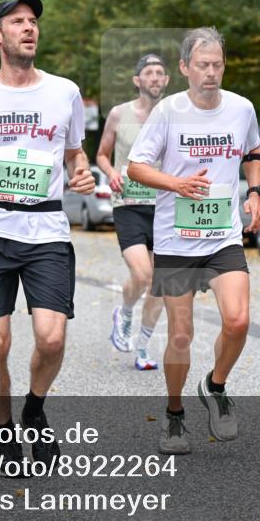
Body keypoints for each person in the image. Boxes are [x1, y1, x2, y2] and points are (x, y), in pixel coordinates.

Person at [0, 0, 95, 472]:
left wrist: (83, 172)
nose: (29, 28)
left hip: (47, 228)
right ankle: (5, 434)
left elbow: (75, 154)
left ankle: (33, 410)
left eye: (33, 21)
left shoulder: (64, 92)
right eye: (17, 22)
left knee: (51, 339)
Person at [127, 27, 260, 455]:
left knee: (238, 321)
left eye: (218, 64)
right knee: (181, 335)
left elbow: (253, 154)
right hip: (175, 240)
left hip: (223, 237)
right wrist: (176, 184)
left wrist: (255, 193)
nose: (211, 73)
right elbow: (135, 167)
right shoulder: (168, 111)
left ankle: (215, 385)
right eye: (202, 65)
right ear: (185, 67)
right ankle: (173, 415)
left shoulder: (241, 109)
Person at [95, 53, 170, 370]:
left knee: (161, 285)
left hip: (164, 206)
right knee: (143, 275)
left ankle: (143, 347)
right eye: (149, 73)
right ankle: (124, 312)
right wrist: (111, 172)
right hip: (128, 204)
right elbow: (101, 154)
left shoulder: (175, 116)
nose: (155, 77)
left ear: (166, 81)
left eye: (160, 73)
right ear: (137, 81)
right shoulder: (118, 114)